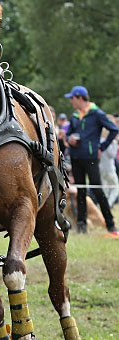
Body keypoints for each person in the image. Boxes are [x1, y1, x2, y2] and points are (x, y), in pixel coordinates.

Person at [58, 85, 118, 236]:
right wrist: (69, 138)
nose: (71, 101)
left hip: (91, 158)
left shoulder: (96, 113)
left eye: (72, 98)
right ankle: (82, 226)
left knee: (97, 191)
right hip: (76, 158)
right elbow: (70, 131)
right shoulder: (75, 116)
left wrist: (101, 147)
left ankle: (111, 225)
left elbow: (114, 129)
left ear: (79, 98)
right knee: (81, 191)